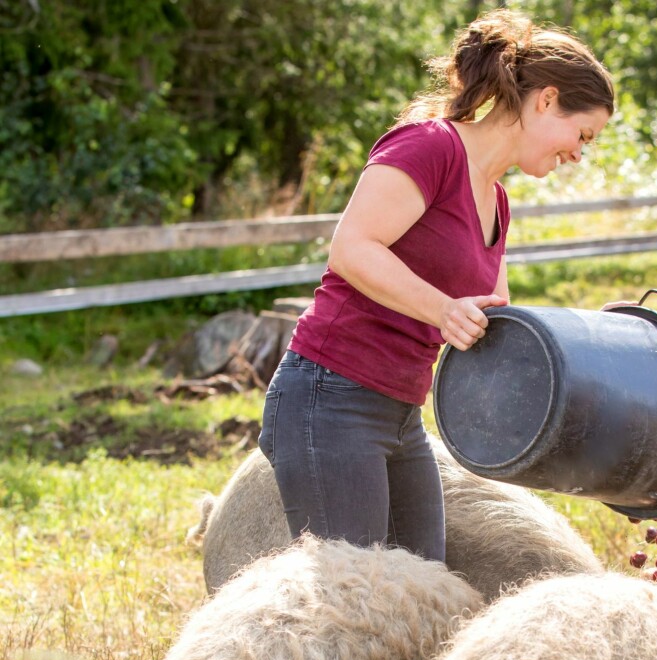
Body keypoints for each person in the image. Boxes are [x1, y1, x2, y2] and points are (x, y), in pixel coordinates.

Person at [258, 9, 615, 562]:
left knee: (423, 592)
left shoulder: (497, 200)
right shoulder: (431, 148)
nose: (579, 152)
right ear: (545, 100)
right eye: (582, 133)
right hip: (329, 397)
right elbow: (352, 248)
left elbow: (495, 321)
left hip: (401, 412)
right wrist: (444, 310)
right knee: (356, 602)